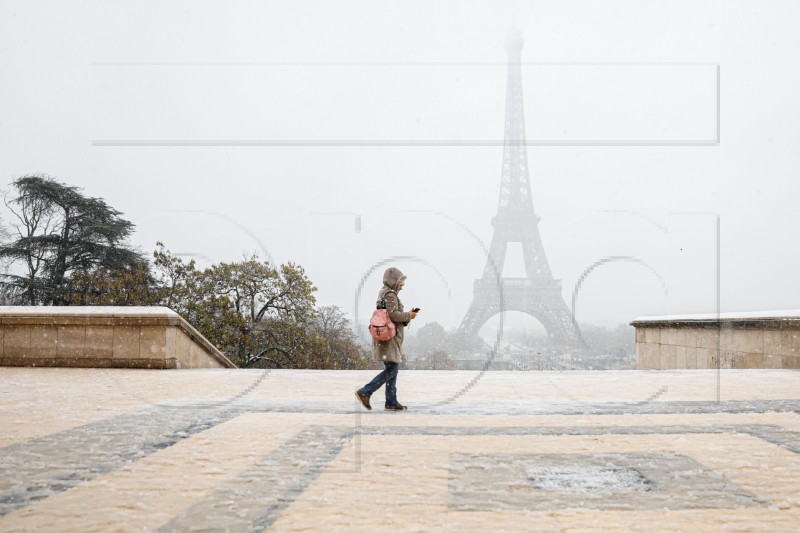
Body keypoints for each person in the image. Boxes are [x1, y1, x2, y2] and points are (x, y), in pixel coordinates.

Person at [355, 267, 417, 411]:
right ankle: (365, 392)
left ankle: (391, 401)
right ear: (394, 281)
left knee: (392, 368)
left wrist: (407, 317)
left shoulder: (385, 292)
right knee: (392, 369)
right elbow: (394, 315)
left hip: (386, 336)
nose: (402, 287)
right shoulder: (389, 294)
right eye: (401, 283)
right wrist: (408, 315)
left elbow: (390, 315)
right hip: (389, 337)